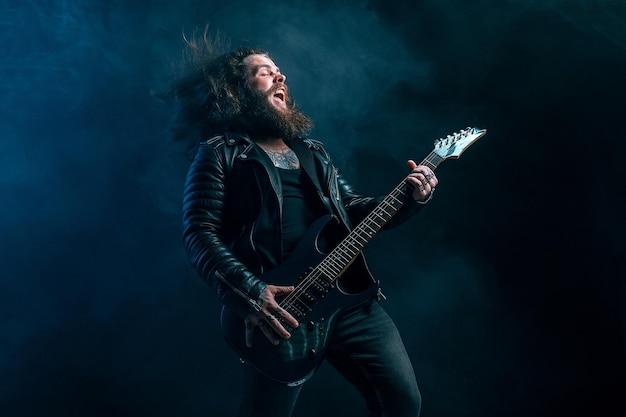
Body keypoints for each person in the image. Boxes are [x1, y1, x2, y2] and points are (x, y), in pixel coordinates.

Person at [164, 31, 438, 417]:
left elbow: (353, 211)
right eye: (264, 72)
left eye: (280, 71)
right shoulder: (221, 153)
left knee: (402, 403)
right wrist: (251, 292)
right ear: (236, 91)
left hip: (349, 301)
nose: (281, 78)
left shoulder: (313, 152)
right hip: (281, 312)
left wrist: (412, 198)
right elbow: (199, 233)